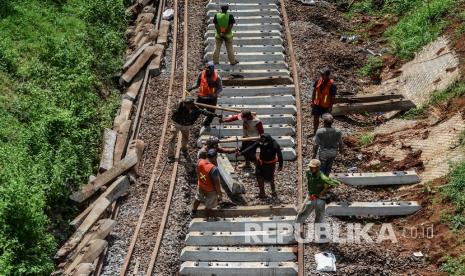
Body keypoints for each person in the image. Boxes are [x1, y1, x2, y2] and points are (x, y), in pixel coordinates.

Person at [167, 97, 221, 161]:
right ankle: (170, 155)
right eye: (185, 104)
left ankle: (184, 149)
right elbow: (173, 110)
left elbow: (205, 112)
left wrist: (216, 115)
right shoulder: (180, 106)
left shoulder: (195, 109)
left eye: (188, 104)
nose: (186, 105)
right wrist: (177, 108)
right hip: (176, 124)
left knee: (185, 138)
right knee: (172, 138)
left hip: (186, 125)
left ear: (191, 104)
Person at [295, 159, 340, 224]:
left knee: (319, 217)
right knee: (302, 213)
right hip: (310, 196)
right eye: (310, 167)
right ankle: (296, 225)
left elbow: (336, 183)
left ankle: (318, 230)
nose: (310, 169)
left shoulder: (323, 178)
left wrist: (326, 189)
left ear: (318, 168)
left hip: (320, 198)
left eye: (312, 168)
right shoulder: (308, 172)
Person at [187, 61, 223, 131]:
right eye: (206, 69)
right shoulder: (201, 74)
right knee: (195, 111)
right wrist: (191, 88)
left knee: (211, 114)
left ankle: (206, 123)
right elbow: (197, 84)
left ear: (212, 70)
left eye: (208, 70)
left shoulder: (217, 77)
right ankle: (189, 123)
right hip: (201, 97)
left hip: (211, 99)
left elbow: (220, 88)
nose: (207, 71)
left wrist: (214, 94)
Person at [192, 149, 223, 221]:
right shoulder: (213, 169)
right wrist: (220, 194)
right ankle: (206, 217)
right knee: (209, 204)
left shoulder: (200, 161)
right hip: (210, 190)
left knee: (198, 198)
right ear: (215, 157)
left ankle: (193, 212)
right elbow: (216, 184)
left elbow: (197, 172)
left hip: (201, 185)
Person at [256, 134, 283, 198]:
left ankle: (273, 191)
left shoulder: (275, 145)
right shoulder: (261, 142)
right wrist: (242, 151)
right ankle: (262, 193)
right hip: (261, 162)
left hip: (270, 164)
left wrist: (280, 165)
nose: (263, 144)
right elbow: (253, 146)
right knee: (259, 176)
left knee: (270, 178)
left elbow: (280, 155)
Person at [311, 68, 337, 134]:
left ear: (327, 76)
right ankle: (315, 132)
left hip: (325, 105)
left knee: (326, 119)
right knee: (316, 117)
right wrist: (312, 101)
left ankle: (324, 133)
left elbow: (333, 97)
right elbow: (314, 92)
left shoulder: (332, 85)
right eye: (321, 74)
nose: (321, 76)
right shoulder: (318, 81)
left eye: (323, 75)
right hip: (317, 104)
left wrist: (330, 107)